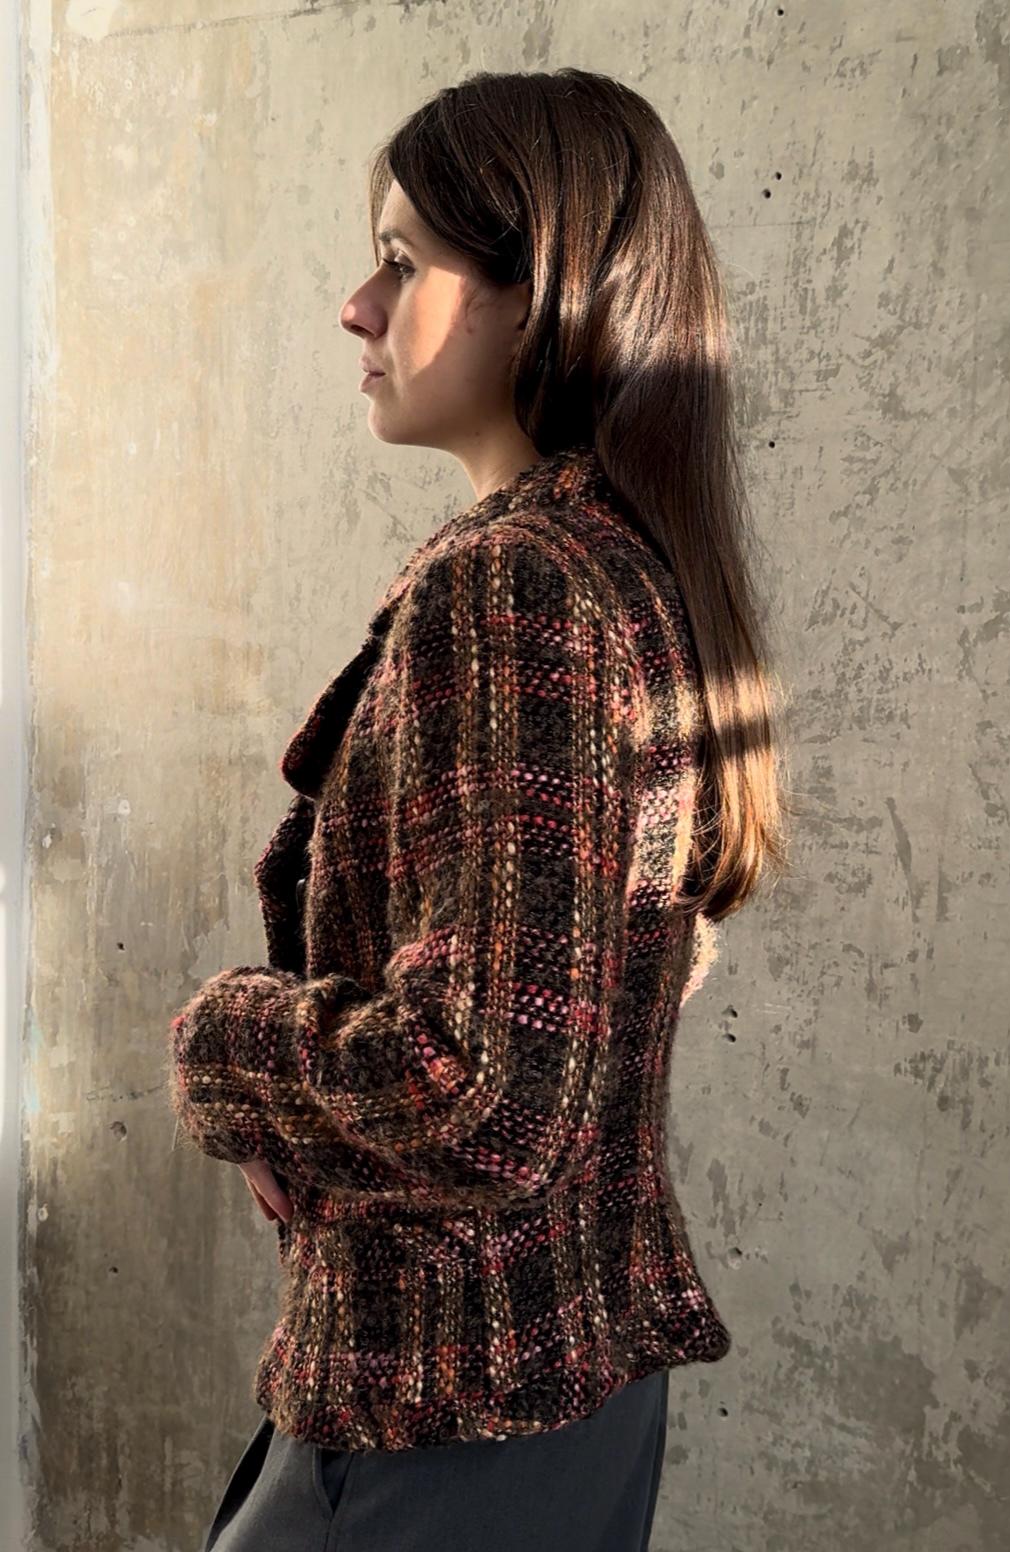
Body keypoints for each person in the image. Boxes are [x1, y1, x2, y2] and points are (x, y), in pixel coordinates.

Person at [168, 65, 791, 1552]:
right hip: (565, 1370)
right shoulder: (632, 569)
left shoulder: (512, 588)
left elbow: (488, 1093)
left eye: (402, 260)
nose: (355, 307)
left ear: (540, 292)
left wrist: (222, 1042)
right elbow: (595, 992)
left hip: (445, 1404)